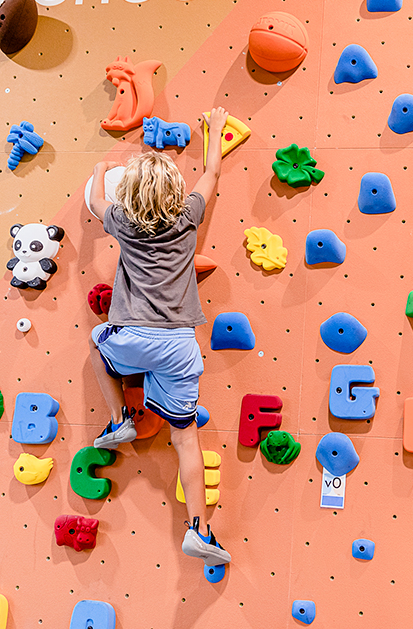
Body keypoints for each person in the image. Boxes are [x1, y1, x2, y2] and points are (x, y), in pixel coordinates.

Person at [87, 106, 231, 566]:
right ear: (174, 191)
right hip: (179, 346)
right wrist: (216, 131)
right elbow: (210, 173)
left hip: (133, 337)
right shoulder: (187, 218)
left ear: (130, 195)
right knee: (186, 438)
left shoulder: (125, 224)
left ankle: (119, 419)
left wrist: (99, 169)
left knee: (97, 341)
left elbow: (94, 201)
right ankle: (200, 530)